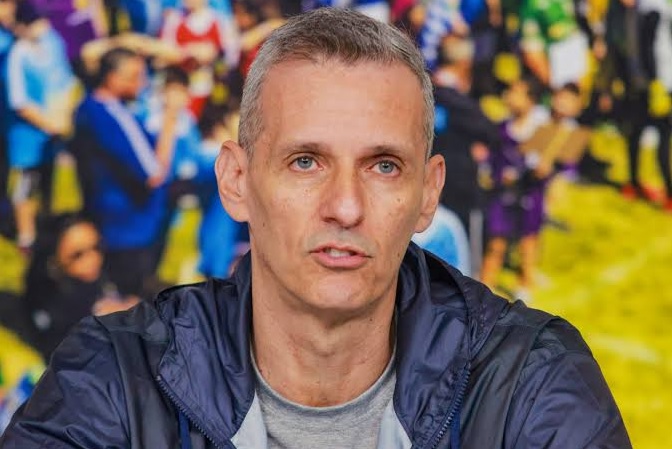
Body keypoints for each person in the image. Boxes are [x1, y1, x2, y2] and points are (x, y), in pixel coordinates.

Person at [1, 8, 631, 449]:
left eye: (384, 166)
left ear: (428, 194)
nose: (345, 207)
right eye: (306, 161)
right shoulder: (113, 378)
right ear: (236, 181)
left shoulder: (531, 382)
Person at [69, 47, 182, 298]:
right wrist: (171, 115)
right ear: (113, 77)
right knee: (131, 302)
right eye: (135, 76)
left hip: (109, 221)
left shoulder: (88, 108)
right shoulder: (111, 114)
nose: (142, 83)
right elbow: (154, 173)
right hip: (130, 228)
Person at [21, 214, 139, 360]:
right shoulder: (47, 300)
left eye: (96, 246)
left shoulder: (102, 271)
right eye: (77, 254)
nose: (93, 258)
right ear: (54, 259)